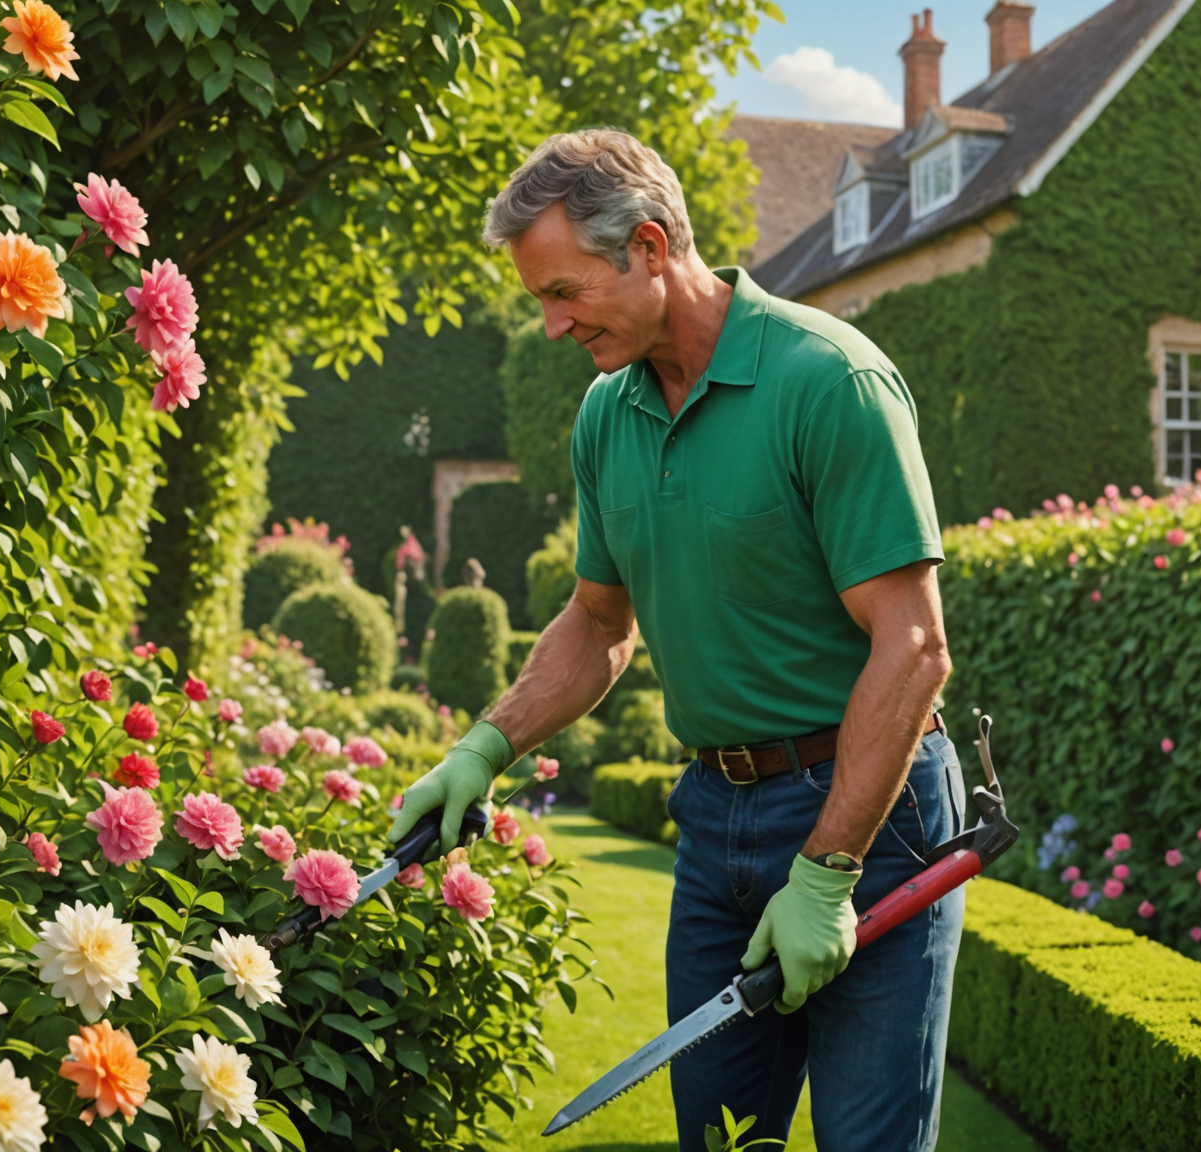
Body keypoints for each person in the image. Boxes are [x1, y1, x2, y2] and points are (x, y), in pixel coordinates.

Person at [389, 128, 963, 1152]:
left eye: (567, 292)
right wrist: (485, 747)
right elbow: (600, 624)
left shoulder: (827, 380)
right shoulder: (607, 416)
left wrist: (827, 872)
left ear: (651, 247)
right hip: (717, 825)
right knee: (720, 1139)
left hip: (871, 822)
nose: (556, 326)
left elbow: (914, 645)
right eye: (540, 301)